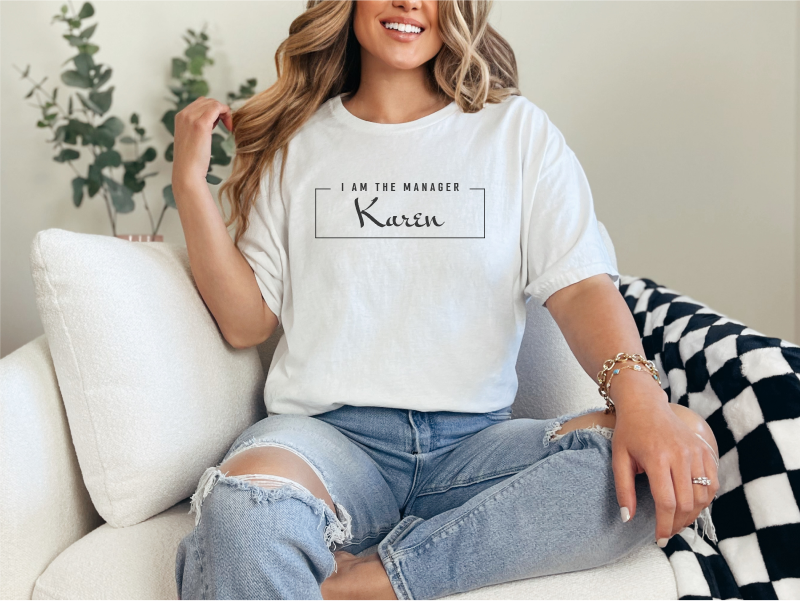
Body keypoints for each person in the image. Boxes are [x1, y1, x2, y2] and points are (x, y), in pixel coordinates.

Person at [171, 0, 720, 599]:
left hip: (474, 453)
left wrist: (640, 399)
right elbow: (246, 322)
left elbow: (581, 286)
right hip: (326, 443)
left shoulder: (517, 133)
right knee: (245, 514)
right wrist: (189, 186)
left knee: (680, 445)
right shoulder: (297, 143)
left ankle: (367, 582)